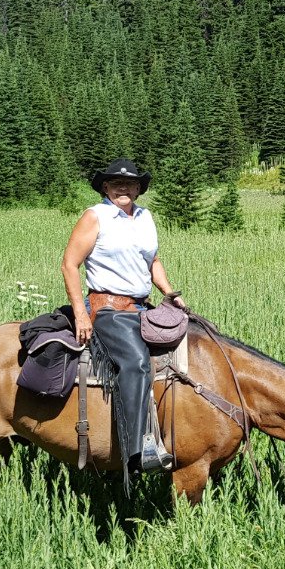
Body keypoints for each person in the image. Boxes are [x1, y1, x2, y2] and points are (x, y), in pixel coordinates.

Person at [60, 158, 188, 474]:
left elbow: (153, 261)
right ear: (105, 186)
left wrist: (170, 294)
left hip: (142, 307)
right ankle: (136, 451)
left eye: (130, 183)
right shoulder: (96, 216)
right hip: (109, 310)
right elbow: (69, 264)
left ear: (138, 189)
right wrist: (81, 314)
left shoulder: (146, 218)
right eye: (116, 182)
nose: (123, 187)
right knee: (137, 362)